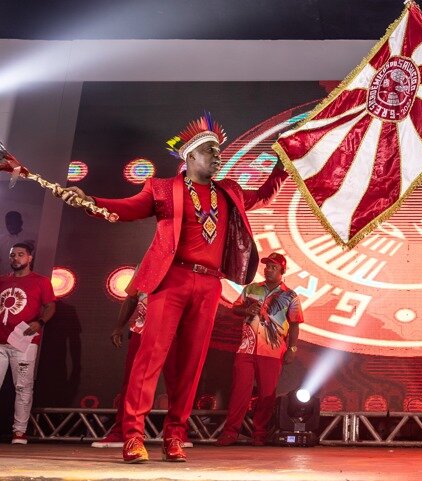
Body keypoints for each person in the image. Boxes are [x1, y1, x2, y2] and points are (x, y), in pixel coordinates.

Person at [62, 113, 287, 463]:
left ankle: (175, 436)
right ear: (191, 156)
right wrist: (90, 202)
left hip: (210, 284)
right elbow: (127, 209)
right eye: (211, 150)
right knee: (149, 358)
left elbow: (266, 195)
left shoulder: (230, 191)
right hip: (172, 279)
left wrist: (284, 165)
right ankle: (133, 436)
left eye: (219, 152)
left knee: (191, 364)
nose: (218, 156)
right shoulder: (163, 188)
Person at [216, 252, 303, 446]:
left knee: (266, 394)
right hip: (246, 348)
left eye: (273, 267)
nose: (268, 270)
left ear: (282, 271)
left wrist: (292, 349)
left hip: (272, 351)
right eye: (267, 266)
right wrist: (246, 311)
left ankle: (260, 433)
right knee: (240, 391)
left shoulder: (290, 295)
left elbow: (295, 324)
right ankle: (231, 432)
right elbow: (235, 308)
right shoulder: (252, 288)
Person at [91, 275, 187, 448]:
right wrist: (119, 327)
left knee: (176, 382)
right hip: (142, 329)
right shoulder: (146, 265)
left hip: (172, 331)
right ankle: (122, 431)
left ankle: (177, 434)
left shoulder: (184, 266)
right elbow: (132, 297)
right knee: (131, 381)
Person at [0, 243, 55, 444]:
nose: (15, 258)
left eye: (20, 254)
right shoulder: (2, 281)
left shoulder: (41, 281)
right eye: (12, 255)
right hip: (0, 342)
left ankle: (20, 432)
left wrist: (40, 322)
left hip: (24, 342)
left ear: (30, 258)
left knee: (23, 386)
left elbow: (50, 306)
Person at [0, 212, 37, 276]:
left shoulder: (33, 238)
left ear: (20, 223)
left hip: (24, 278)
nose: (10, 226)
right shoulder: (1, 239)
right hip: (4, 277)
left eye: (13, 223)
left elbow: (36, 260)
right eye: (8, 223)